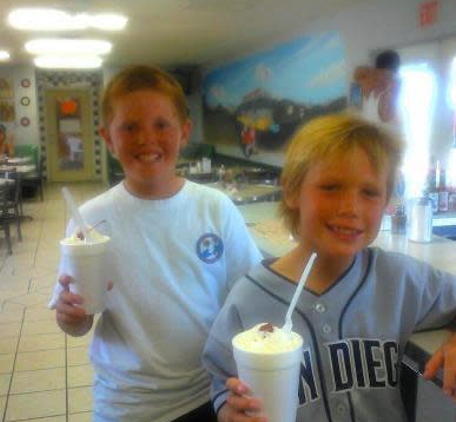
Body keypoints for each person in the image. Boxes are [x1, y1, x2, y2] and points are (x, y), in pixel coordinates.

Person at [202, 113, 456, 422]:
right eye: (331, 187)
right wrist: (229, 409)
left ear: (387, 200)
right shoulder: (247, 300)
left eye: (370, 192)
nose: (350, 208)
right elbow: (221, 381)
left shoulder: (400, 279)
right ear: (293, 190)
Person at [51, 65, 262, 422]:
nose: (146, 138)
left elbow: (250, 296)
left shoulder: (215, 208)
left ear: (184, 132)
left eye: (161, 125)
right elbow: (76, 323)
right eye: (129, 127)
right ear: (107, 137)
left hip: (210, 392)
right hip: (127, 402)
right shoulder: (90, 220)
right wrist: (70, 314)